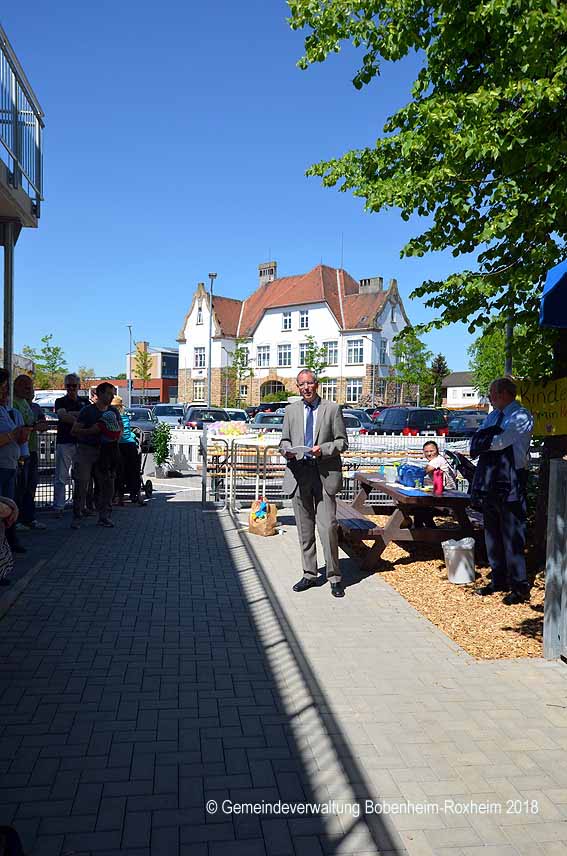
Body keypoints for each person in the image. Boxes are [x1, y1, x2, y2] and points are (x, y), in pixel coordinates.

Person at [280, 370, 348, 598]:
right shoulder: (290, 411)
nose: (306, 387)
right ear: (297, 387)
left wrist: (324, 449)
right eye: (302, 384)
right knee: (304, 529)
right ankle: (309, 574)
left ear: (316, 385)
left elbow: (342, 442)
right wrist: (286, 451)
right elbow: (284, 440)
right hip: (299, 474)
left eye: (310, 383)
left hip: (324, 474)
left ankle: (334, 577)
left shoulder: (332, 409)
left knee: (327, 527)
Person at [473, 377, 533, 604]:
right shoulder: (493, 415)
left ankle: (519, 586)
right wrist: (486, 438)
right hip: (490, 479)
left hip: (511, 480)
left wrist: (486, 439)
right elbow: (479, 437)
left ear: (505, 394)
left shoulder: (520, 416)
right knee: (492, 532)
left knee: (512, 534)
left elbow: (500, 441)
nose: (490, 398)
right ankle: (498, 578)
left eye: (492, 394)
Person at [70, 382, 122, 529]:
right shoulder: (87, 411)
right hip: (87, 450)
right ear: (99, 394)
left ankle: (104, 516)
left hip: (107, 452)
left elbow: (120, 429)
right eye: (109, 393)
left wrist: (113, 435)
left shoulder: (113, 411)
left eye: (113, 393)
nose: (112, 396)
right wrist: (92, 431)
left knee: (108, 484)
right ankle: (77, 516)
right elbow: (74, 430)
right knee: (82, 483)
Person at [12, 374, 50, 531]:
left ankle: (29, 517)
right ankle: (17, 519)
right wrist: (34, 427)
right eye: (26, 387)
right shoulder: (13, 403)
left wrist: (34, 426)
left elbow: (41, 422)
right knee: (20, 485)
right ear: (17, 387)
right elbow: (20, 427)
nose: (30, 391)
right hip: (20, 450)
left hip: (31, 449)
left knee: (31, 485)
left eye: (31, 387)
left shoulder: (28, 404)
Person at [0, 368, 31, 554]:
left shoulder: (6, 410)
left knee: (9, 508)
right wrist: (13, 434)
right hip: (1, 467)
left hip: (9, 466)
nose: (5, 392)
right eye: (2, 387)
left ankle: (9, 543)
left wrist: (21, 436)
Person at [53, 374, 86, 516]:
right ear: (65, 386)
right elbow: (61, 416)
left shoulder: (85, 402)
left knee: (80, 477)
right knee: (61, 476)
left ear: (79, 386)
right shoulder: (60, 401)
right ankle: (59, 507)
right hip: (64, 442)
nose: (71, 388)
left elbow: (88, 417)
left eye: (74, 385)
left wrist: (70, 414)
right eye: (69, 386)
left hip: (81, 443)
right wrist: (78, 419)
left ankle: (79, 505)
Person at [413, 440, 458, 528]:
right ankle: (428, 531)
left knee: (419, 509)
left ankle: (422, 533)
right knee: (420, 508)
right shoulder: (438, 459)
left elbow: (422, 472)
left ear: (437, 450)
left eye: (431, 451)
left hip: (448, 498)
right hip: (445, 495)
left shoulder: (437, 460)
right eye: (426, 452)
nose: (429, 454)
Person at [112, 396, 141, 504]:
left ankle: (118, 495)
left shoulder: (113, 416)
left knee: (119, 471)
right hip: (130, 445)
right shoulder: (125, 416)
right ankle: (134, 494)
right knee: (133, 471)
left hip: (119, 445)